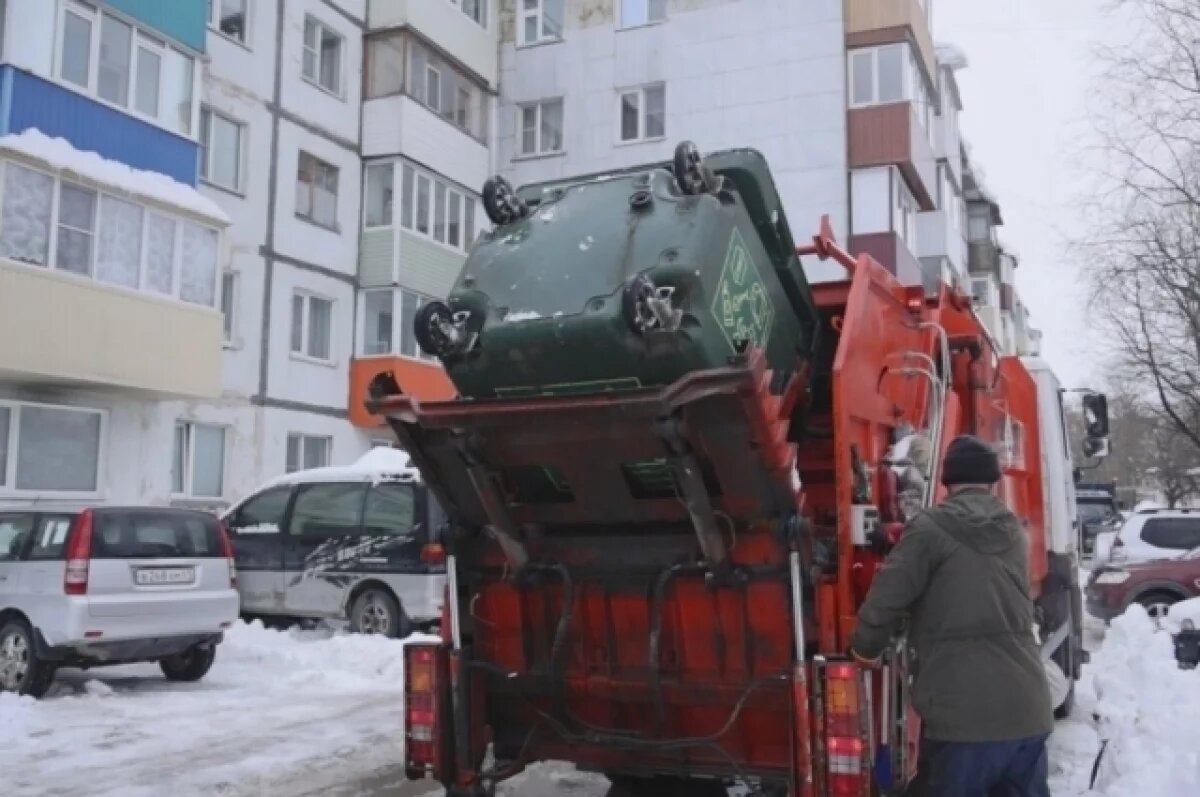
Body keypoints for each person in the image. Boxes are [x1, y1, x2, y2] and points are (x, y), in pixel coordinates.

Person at [850, 435, 1054, 797]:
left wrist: (863, 650)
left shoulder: (929, 529)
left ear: (947, 481)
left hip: (965, 720)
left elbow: (886, 599)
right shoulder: (1012, 531)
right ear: (993, 482)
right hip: (1029, 712)